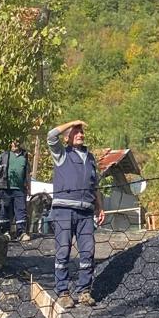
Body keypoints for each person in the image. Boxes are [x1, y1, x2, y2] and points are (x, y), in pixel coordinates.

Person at [47, 120, 105, 307]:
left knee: (88, 251)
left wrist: (100, 206)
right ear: (67, 137)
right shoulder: (62, 154)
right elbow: (50, 135)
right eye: (76, 132)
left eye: (81, 132)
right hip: (64, 210)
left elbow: (94, 185)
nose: (80, 134)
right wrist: (73, 122)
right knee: (63, 250)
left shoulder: (90, 158)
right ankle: (63, 293)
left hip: (86, 212)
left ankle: (84, 292)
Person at [0, 138, 29, 241]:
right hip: (5, 187)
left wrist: (27, 186)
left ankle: (21, 232)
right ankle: (5, 232)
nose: (14, 144)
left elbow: (26, 172)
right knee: (5, 210)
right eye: (12, 141)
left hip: (19, 188)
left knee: (21, 210)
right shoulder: (4, 154)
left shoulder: (24, 155)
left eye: (16, 142)